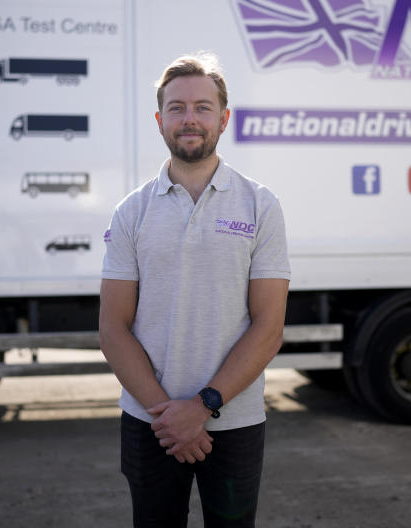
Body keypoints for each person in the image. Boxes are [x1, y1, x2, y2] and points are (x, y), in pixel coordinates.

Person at [99, 52, 291, 527]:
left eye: (203, 108)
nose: (190, 119)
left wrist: (203, 406)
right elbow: (113, 327)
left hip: (235, 419)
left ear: (224, 119)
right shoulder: (131, 212)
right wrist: (170, 417)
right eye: (178, 107)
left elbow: (268, 326)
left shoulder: (260, 205)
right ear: (160, 119)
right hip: (152, 424)